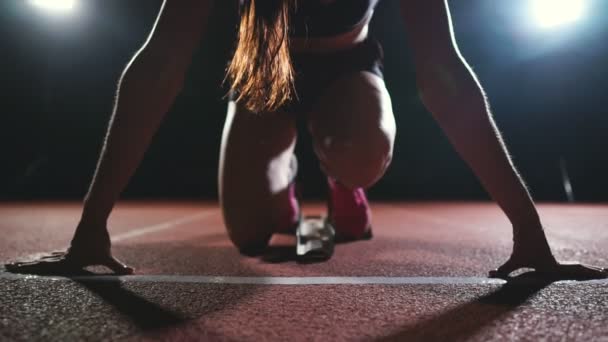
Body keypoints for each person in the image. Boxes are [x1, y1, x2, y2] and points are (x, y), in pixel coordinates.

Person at [5, 0, 606, 279]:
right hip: (265, 78)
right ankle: (288, 182)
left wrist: (528, 232)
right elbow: (159, 64)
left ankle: (344, 178)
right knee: (249, 234)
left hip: (346, 74)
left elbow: (446, 77)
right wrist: (91, 230)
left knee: (365, 150)